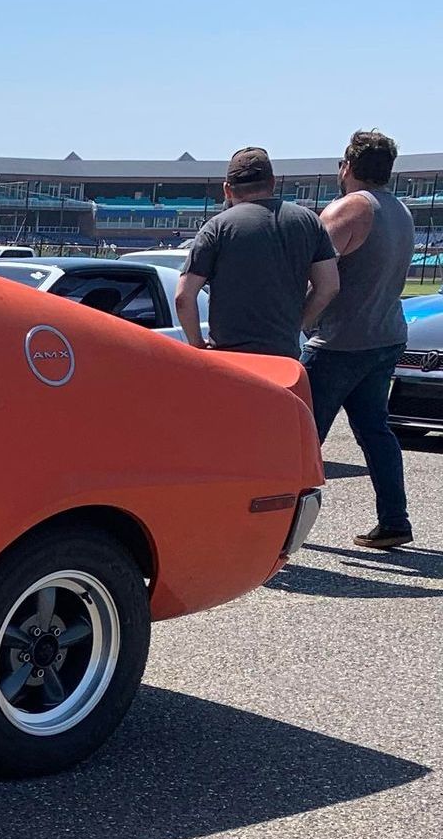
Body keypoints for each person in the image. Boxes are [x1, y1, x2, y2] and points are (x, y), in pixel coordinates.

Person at [305, 130, 416, 550]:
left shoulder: (349, 209)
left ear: (347, 166)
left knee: (299, 437)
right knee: (375, 431)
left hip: (339, 342)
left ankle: (279, 526)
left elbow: (317, 276)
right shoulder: (400, 210)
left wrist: (300, 322)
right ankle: (395, 520)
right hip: (385, 336)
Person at [175, 147, 338, 357]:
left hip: (229, 359)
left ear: (227, 190)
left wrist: (197, 345)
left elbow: (183, 297)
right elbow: (329, 286)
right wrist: (297, 324)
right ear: (273, 182)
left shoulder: (216, 228)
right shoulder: (309, 222)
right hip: (282, 358)